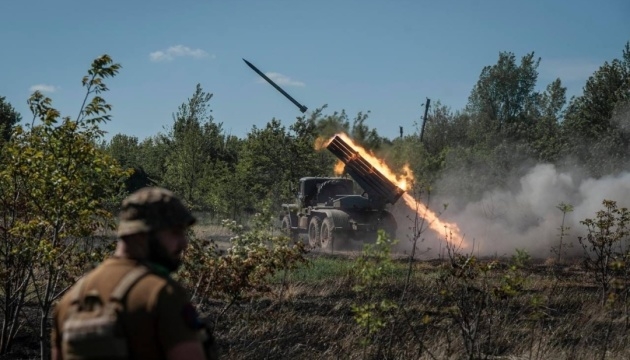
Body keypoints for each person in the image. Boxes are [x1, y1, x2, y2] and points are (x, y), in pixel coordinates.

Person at [51, 187, 218, 360]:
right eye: (175, 232)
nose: (184, 243)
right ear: (140, 235)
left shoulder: (70, 301)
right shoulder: (161, 294)